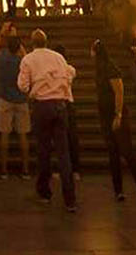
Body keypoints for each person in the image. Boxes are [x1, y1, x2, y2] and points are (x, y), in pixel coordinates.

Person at [17, 28, 77, 212]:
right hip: (60, 105)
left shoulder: (28, 59)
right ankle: (70, 198)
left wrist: (35, 89)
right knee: (63, 152)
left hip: (42, 105)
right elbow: (70, 73)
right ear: (46, 41)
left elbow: (22, 85)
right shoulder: (58, 57)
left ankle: (44, 191)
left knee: (43, 150)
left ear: (32, 43)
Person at [92, 39, 136, 207]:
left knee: (128, 154)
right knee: (113, 154)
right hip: (105, 115)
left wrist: (118, 115)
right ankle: (118, 190)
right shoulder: (100, 68)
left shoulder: (111, 68)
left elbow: (119, 91)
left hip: (115, 115)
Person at [0, 34, 30, 179]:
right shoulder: (23, 61)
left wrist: (2, 33)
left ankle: (4, 170)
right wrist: (20, 46)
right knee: (23, 135)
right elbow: (26, 56)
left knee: (4, 134)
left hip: (5, 98)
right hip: (21, 99)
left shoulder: (2, 58)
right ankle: (25, 170)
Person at [52, 44, 82, 182]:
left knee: (61, 139)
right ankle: (75, 170)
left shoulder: (53, 70)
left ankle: (64, 169)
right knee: (72, 138)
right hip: (69, 103)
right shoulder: (70, 69)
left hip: (58, 103)